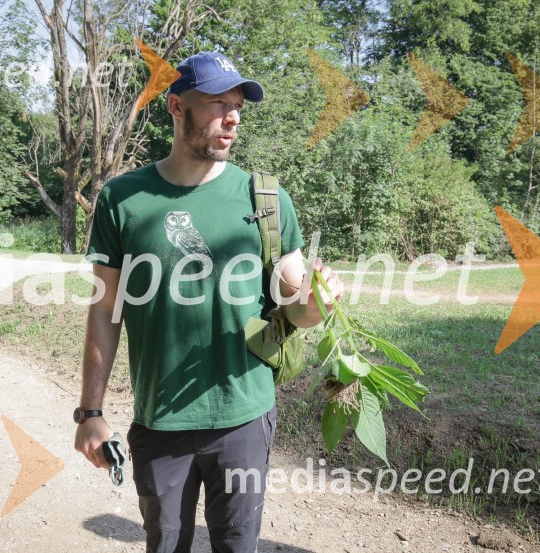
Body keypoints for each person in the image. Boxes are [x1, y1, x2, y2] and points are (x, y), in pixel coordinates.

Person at [73, 51, 343, 553]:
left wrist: (317, 301)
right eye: (218, 103)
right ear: (177, 106)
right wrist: (90, 411)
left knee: (237, 546)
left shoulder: (265, 199)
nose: (233, 116)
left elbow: (297, 308)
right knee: (166, 544)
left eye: (237, 105)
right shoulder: (123, 199)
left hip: (244, 414)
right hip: (160, 420)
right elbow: (105, 311)